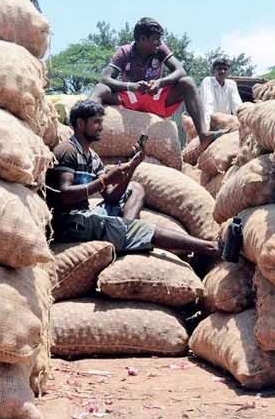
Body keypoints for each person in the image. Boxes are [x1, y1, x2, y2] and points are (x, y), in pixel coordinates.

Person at [46, 100, 221, 257]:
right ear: (80, 124)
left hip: (87, 219)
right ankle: (211, 248)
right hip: (70, 223)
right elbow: (63, 194)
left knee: (135, 188)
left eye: (101, 122)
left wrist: (131, 167)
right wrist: (104, 180)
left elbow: (111, 197)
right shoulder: (67, 151)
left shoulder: (92, 157)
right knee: (144, 230)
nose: (101, 127)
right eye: (96, 122)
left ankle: (125, 232)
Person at [90, 17, 221, 145]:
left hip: (155, 99)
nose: (159, 43)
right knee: (101, 88)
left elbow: (181, 71)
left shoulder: (160, 50)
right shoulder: (125, 52)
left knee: (188, 82)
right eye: (155, 39)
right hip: (130, 98)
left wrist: (160, 83)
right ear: (142, 39)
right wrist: (131, 86)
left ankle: (203, 134)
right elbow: (105, 78)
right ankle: (85, 128)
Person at [200, 56, 243, 128]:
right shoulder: (207, 81)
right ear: (213, 71)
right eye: (219, 68)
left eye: (225, 69)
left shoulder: (232, 84)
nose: (222, 71)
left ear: (228, 72)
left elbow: (237, 105)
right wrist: (207, 128)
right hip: (211, 123)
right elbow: (208, 105)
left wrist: (243, 123)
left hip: (226, 124)